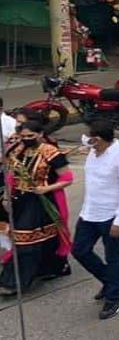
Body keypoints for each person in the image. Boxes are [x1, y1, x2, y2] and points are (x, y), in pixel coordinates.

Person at [73, 121, 119, 320]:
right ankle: (112, 280)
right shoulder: (93, 152)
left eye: (89, 137)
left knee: (113, 255)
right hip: (90, 212)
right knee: (79, 250)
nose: (86, 140)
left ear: (99, 139)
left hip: (113, 214)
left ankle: (113, 296)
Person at [0, 119, 73, 295]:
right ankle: (49, 268)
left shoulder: (51, 153)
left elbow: (67, 178)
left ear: (40, 134)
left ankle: (14, 281)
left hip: (42, 200)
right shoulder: (19, 150)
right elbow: (11, 175)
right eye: (23, 136)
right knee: (23, 237)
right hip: (21, 200)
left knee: (29, 239)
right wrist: (8, 196)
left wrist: (46, 188)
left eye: (30, 136)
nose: (26, 139)